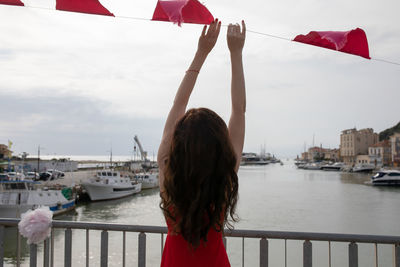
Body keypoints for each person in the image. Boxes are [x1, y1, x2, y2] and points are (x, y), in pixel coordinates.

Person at [157, 18, 246, 267]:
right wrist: (236, 54)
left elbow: (178, 105)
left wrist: (201, 53)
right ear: (220, 148)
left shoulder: (168, 174)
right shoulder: (225, 178)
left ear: (179, 142)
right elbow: (238, 111)